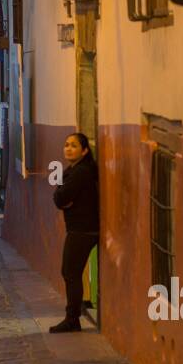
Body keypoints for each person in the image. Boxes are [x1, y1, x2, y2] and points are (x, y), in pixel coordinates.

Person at [50, 132, 100, 333]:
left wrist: (63, 198)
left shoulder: (80, 172)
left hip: (82, 229)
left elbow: (60, 198)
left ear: (85, 150)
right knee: (70, 272)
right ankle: (72, 317)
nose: (68, 148)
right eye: (66, 145)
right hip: (82, 228)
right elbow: (61, 197)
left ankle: (72, 319)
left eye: (74, 146)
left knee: (70, 273)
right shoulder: (78, 169)